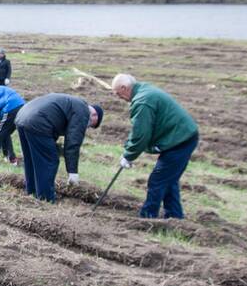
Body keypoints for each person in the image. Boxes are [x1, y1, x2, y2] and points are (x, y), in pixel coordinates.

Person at [112, 73, 200, 219]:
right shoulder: (143, 90)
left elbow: (141, 134)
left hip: (180, 140)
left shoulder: (142, 101)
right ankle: (174, 217)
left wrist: (128, 156)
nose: (118, 97)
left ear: (124, 87)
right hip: (181, 136)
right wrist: (129, 148)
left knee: (158, 179)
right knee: (168, 179)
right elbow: (139, 129)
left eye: (117, 93)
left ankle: (148, 217)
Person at [15, 94, 103, 202]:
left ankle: (32, 194)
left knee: (32, 159)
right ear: (94, 115)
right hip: (37, 121)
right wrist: (72, 172)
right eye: (91, 125)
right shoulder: (83, 112)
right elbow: (73, 143)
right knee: (50, 161)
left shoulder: (73, 103)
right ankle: (45, 199)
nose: (87, 127)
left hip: (22, 116)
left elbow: (54, 124)